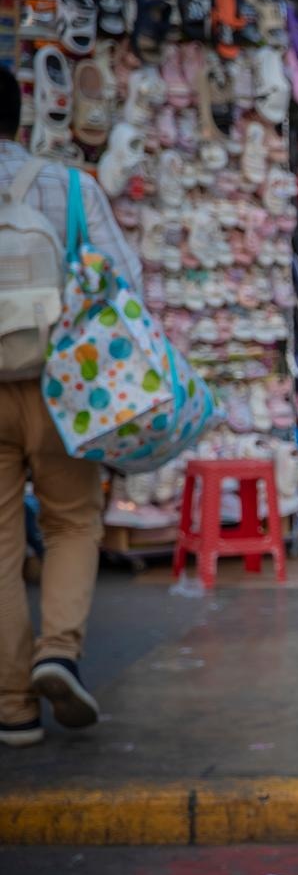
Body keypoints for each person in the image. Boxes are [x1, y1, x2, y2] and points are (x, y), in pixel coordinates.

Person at [1, 66, 141, 748]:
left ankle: (13, 706)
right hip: (64, 387)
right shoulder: (71, 186)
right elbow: (127, 286)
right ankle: (58, 651)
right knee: (73, 521)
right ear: (21, 116)